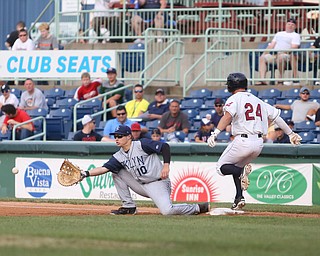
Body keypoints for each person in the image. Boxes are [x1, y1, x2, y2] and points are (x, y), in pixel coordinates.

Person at [207, 72, 302, 210]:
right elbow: (276, 117)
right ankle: (239, 198)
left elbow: (227, 117)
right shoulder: (258, 100)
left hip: (242, 141)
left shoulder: (234, 99)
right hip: (258, 144)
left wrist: (215, 133)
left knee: (221, 168)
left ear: (232, 85)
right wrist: (291, 133)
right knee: (236, 167)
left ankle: (241, 172)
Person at [80, 125, 209, 215]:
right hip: (141, 185)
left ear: (129, 136)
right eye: (115, 136)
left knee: (167, 211)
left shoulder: (142, 144)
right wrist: (85, 174)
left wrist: (166, 165)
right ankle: (129, 207)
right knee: (115, 171)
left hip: (158, 183)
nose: (117, 138)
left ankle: (198, 207)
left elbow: (165, 146)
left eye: (120, 136)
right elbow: (104, 168)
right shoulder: (119, 155)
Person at [257, 18, 301, 85]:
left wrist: (284, 52)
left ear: (295, 27)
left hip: (286, 55)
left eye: (292, 25)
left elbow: (294, 47)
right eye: (288, 24)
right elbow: (271, 45)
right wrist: (264, 53)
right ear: (285, 25)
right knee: (262, 58)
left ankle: (280, 79)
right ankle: (262, 79)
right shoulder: (279, 34)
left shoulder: (296, 35)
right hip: (274, 54)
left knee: (281, 57)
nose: (290, 26)